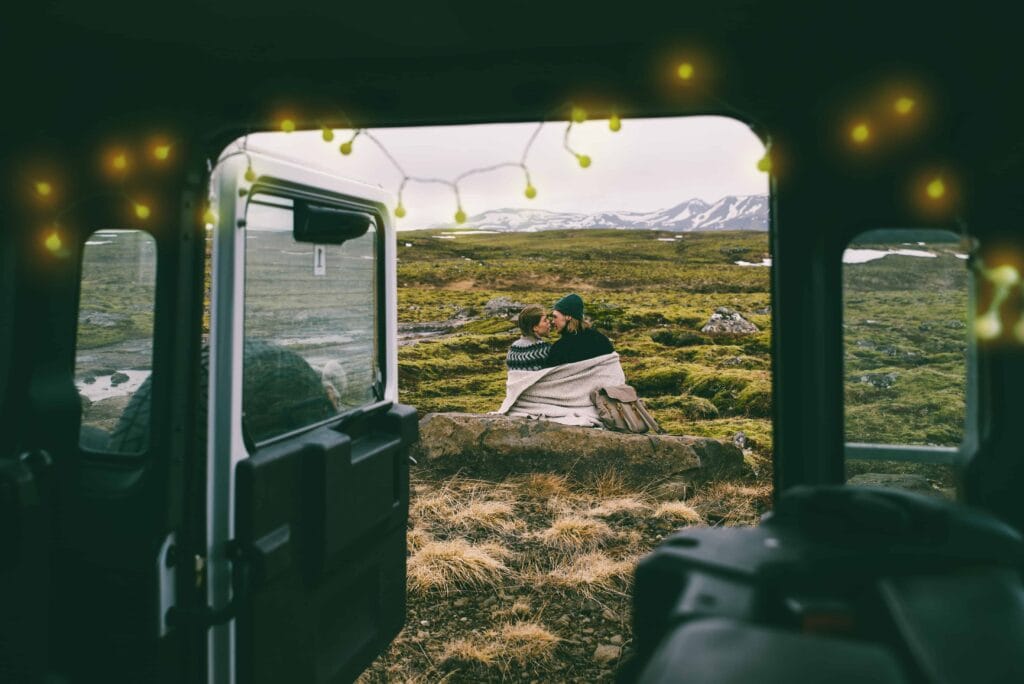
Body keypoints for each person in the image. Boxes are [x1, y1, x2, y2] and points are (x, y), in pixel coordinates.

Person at [544, 293, 614, 367]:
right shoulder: (601, 339)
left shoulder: (560, 348)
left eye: (555, 317)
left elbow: (551, 376)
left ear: (568, 317)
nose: (552, 321)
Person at [506, 305, 552, 371]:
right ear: (535, 327)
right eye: (545, 320)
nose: (548, 321)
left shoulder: (513, 348)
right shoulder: (544, 349)